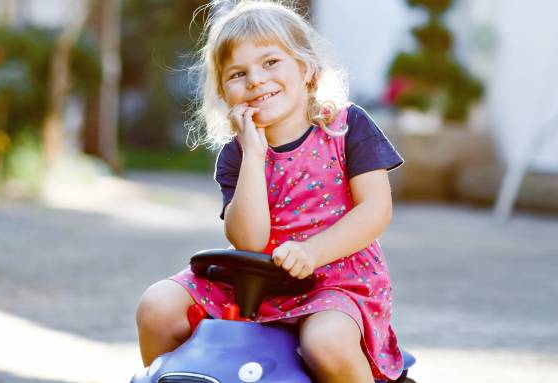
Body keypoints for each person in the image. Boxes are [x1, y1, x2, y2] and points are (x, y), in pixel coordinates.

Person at [135, 1, 404, 382]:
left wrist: (313, 252)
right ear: (224, 91)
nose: (256, 80)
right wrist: (254, 156)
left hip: (334, 279)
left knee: (326, 342)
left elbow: (376, 209)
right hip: (254, 280)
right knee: (157, 306)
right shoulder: (236, 155)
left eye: (271, 63)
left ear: (307, 68)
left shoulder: (346, 127)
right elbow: (249, 238)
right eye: (238, 73)